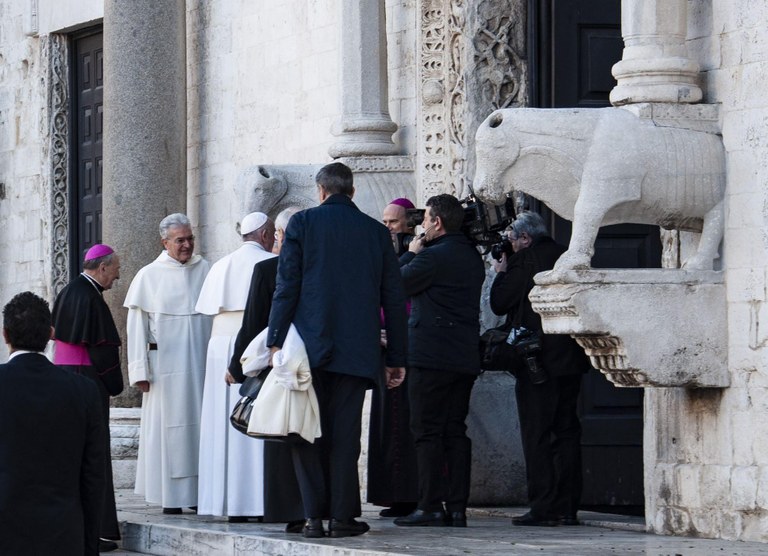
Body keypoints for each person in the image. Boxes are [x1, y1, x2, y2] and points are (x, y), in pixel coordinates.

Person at [266, 162, 408, 539]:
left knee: (307, 432)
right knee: (345, 438)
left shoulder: (302, 224)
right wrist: (396, 359)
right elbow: (393, 300)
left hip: (308, 350)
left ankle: (313, 517)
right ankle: (343, 517)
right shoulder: (377, 233)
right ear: (352, 191)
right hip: (357, 353)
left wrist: (275, 340)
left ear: (321, 190)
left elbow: (287, 286)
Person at [489, 211, 591, 527]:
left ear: (525, 238)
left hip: (538, 363)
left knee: (538, 433)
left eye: (511, 240)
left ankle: (544, 507)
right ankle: (568, 506)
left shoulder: (525, 260)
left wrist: (500, 271)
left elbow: (499, 302)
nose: (508, 245)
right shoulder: (568, 256)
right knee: (566, 431)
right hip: (571, 359)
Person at [393, 193, 485, 528]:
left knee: (427, 431)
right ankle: (457, 507)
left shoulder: (432, 257)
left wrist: (409, 253)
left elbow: (394, 283)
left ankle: (430, 505)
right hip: (462, 357)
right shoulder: (472, 256)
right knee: (454, 431)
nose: (421, 225)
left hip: (431, 356)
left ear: (437, 222)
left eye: (425, 218)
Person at [0, 292, 106, 555]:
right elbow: (93, 477)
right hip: (63, 535)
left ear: (5, 335)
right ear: (50, 333)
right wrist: (89, 545)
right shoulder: (83, 390)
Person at [124, 213, 212, 514]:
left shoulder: (206, 270)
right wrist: (139, 372)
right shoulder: (148, 276)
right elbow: (136, 328)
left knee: (201, 429)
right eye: (180, 240)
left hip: (202, 368)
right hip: (164, 371)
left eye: (190, 239)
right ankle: (171, 498)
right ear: (165, 242)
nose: (187, 245)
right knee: (168, 432)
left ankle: (202, 495)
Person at [195, 212, 276, 521]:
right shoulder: (265, 264)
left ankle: (221, 502)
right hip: (252, 344)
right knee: (254, 417)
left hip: (219, 346)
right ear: (266, 234)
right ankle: (255, 501)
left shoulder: (219, 266)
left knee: (222, 423)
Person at [228, 207, 304, 532]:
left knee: (281, 434)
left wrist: (236, 366)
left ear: (278, 236)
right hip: (316, 363)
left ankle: (290, 510)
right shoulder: (321, 267)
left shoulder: (267, 269)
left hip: (279, 364)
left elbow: (253, 324)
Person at [51, 244, 124, 552]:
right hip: (87, 381)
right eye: (115, 271)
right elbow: (103, 350)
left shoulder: (69, 290)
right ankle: (99, 533)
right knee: (94, 456)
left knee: (69, 454)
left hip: (63, 379)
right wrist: (114, 384)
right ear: (102, 267)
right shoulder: (91, 298)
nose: (117, 277)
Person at [368, 197, 419, 518]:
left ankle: (409, 496)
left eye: (393, 222)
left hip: (410, 352)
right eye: (385, 221)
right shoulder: (385, 255)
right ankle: (392, 495)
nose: (387, 227)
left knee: (406, 427)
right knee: (387, 427)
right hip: (384, 350)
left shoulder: (415, 257)